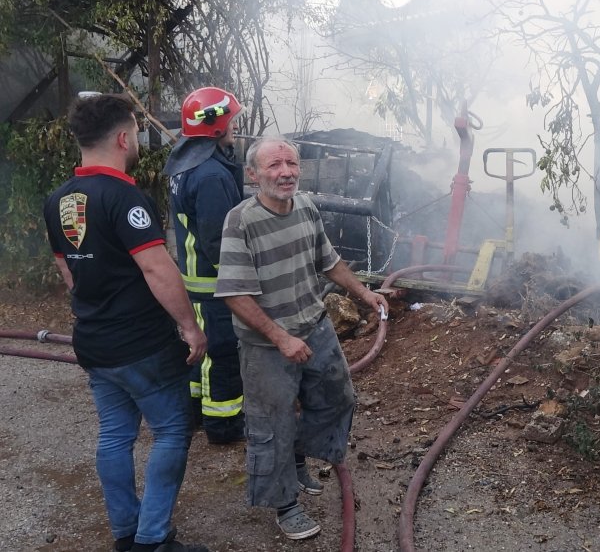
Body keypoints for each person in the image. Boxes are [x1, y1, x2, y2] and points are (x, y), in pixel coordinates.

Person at [42, 92, 210, 552]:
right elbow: (158, 268)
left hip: (94, 342)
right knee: (173, 430)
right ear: (122, 137)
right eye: (135, 133)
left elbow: (69, 274)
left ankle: (125, 534)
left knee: (116, 434)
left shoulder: (58, 200)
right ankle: (153, 538)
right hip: (143, 346)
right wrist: (191, 327)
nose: (136, 141)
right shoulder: (124, 196)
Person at [214, 136, 388, 540]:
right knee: (271, 424)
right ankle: (285, 504)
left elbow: (328, 261)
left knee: (338, 397)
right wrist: (280, 338)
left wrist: (364, 293)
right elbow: (235, 295)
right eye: (274, 165)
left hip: (314, 324)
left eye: (291, 163)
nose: (285, 172)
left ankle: (296, 459)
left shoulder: (306, 206)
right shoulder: (241, 221)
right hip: (266, 344)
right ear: (253, 174)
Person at [165, 87, 246, 444]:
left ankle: (195, 412)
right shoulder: (211, 176)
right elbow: (219, 241)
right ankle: (224, 425)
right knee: (222, 354)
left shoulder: (185, 165)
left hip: (194, 283)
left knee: (200, 355)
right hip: (214, 285)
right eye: (231, 121)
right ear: (214, 126)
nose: (235, 128)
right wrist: (241, 282)